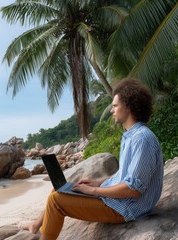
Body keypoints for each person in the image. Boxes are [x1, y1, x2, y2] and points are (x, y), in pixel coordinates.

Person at [21, 78, 164, 240]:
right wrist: (99, 182)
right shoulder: (131, 136)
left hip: (127, 207)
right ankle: (35, 224)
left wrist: (94, 191)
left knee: (57, 201)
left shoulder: (141, 139)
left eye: (115, 105)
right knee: (60, 188)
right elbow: (126, 176)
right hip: (121, 201)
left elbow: (133, 190)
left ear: (128, 106)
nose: (112, 110)